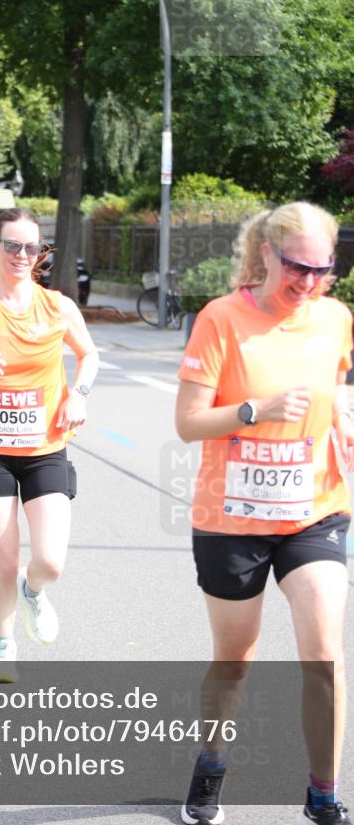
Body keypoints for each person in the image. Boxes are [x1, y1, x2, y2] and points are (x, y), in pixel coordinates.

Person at [175, 202, 353, 825]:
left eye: (323, 269)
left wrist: (344, 422)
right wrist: (257, 410)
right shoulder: (221, 320)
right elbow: (188, 422)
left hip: (316, 511)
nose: (308, 282)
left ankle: (323, 794)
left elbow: (336, 389)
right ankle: (211, 764)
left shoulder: (335, 318)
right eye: (297, 267)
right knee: (235, 659)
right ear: (267, 256)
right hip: (232, 519)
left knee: (325, 654)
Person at [0, 208, 99, 682]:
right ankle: (3, 642)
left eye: (31, 247)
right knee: (5, 560)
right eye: (12, 245)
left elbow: (88, 355)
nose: (21, 255)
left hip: (45, 447)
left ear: (39, 253)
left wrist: (78, 393)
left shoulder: (57, 307)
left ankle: (35, 591)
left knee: (49, 560)